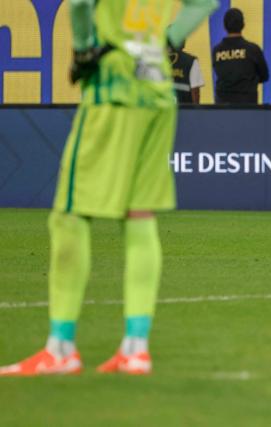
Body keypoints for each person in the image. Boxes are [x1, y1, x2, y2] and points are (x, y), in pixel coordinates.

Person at [0, 0, 219, 377]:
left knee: (68, 215)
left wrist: (85, 49)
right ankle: (136, 350)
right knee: (139, 214)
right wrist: (167, 37)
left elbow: (83, 4)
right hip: (156, 88)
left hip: (113, 88)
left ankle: (61, 348)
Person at [212, 8, 269, 104]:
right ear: (243, 25)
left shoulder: (217, 51)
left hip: (222, 107)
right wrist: (249, 81)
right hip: (248, 106)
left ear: (224, 26)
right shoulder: (253, 49)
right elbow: (264, 76)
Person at [169, 39, 206, 104]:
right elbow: (195, 91)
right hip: (185, 110)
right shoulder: (191, 61)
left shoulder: (156, 61)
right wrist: (195, 112)